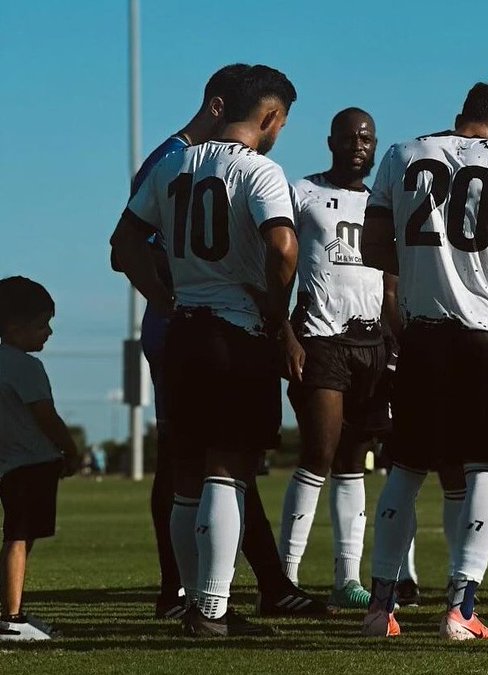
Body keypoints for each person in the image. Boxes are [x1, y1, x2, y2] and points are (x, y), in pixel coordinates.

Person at [116, 64, 327, 621]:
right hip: (235, 332)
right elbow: (282, 248)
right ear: (271, 116)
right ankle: (212, 608)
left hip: (184, 328)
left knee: (186, 471)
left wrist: (162, 298)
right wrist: (274, 311)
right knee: (228, 470)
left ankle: (189, 602)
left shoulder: (172, 165)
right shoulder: (262, 171)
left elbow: (124, 244)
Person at [360, 80, 488, 641]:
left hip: (421, 333)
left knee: (406, 470)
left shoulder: (402, 153)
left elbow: (374, 249)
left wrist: (425, 274)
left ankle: (379, 607)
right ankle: (461, 607)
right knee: (483, 467)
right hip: (484, 334)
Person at [275, 107, 400, 610]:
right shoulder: (302, 193)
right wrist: (283, 331)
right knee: (319, 454)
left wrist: (399, 344)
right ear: (331, 141)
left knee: (355, 462)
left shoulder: (384, 204)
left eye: (366, 138)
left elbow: (391, 282)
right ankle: (284, 575)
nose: (358, 145)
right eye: (349, 137)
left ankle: (348, 578)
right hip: (321, 340)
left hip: (372, 345)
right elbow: (279, 264)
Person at [0, 277, 80, 641]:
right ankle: (12, 619)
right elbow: (47, 417)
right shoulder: (27, 368)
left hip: (8, 464)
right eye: (41, 325)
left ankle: (12, 612)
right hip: (30, 465)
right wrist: (71, 450)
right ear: (13, 329)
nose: (47, 332)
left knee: (19, 535)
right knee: (19, 537)